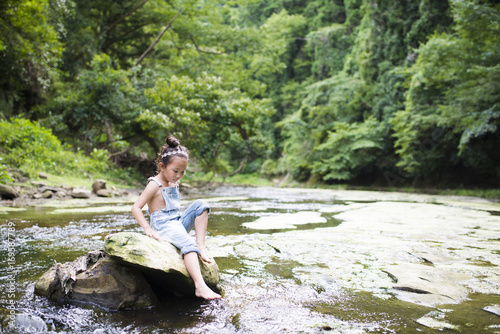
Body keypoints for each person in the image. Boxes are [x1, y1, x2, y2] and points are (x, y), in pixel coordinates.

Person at [131, 135, 221, 300]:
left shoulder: (171, 180)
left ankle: (201, 245)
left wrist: (173, 185)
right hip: (163, 226)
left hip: (177, 223)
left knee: (202, 205)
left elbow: (173, 205)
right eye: (175, 171)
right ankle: (200, 286)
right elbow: (136, 207)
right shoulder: (154, 184)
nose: (179, 175)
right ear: (162, 166)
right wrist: (148, 229)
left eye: (182, 172)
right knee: (188, 244)